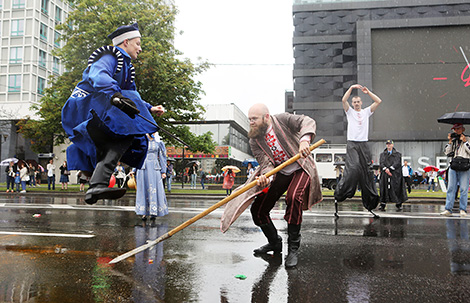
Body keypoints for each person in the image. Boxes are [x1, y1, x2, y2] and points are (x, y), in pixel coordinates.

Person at [61, 23, 164, 205]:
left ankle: (94, 184)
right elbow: (99, 76)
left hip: (101, 109)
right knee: (124, 135)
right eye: (138, 44)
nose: (140, 49)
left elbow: (131, 95)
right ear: (126, 42)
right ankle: (95, 181)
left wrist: (148, 108)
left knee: (122, 138)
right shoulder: (110, 56)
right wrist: (116, 95)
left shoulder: (126, 66)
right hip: (87, 109)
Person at [221, 103, 322, 268]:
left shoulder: (282, 120)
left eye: (254, 118)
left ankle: (293, 249)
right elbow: (266, 163)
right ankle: (275, 243)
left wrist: (304, 141)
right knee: (258, 210)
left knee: (293, 197)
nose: (251, 122)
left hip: (300, 166)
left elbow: (306, 121)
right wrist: (266, 178)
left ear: (266, 117)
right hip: (280, 173)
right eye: (249, 119)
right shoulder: (255, 139)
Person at [334, 84, 382, 216]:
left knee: (366, 173)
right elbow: (343, 100)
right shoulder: (349, 112)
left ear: (361, 103)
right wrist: (351, 88)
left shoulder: (366, 112)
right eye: (354, 102)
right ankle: (340, 193)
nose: (356, 104)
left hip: (364, 145)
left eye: (358, 102)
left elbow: (378, 101)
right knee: (354, 168)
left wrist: (368, 92)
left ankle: (370, 203)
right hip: (352, 144)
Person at [135, 132, 168, 220]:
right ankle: (143, 212)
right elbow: (137, 155)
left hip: (154, 168)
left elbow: (163, 157)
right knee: (143, 189)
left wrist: (163, 171)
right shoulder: (141, 140)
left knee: (154, 189)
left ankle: (154, 211)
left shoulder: (159, 142)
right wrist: (133, 169)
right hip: (143, 167)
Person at [441, 123, 470, 217]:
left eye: (458, 129)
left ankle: (463, 209)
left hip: (465, 166)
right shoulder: (453, 141)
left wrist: (465, 142)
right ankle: (448, 209)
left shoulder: (468, 139)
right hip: (453, 166)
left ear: (463, 129)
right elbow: (447, 152)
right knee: (451, 188)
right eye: (454, 129)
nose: (456, 131)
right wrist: (449, 142)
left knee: (464, 189)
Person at [378, 140, 408, 211]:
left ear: (392, 145)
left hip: (395, 174)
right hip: (385, 174)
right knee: (383, 188)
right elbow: (381, 163)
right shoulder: (382, 154)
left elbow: (397, 163)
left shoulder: (397, 154)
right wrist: (386, 169)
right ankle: (382, 203)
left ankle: (398, 203)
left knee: (396, 188)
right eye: (387, 144)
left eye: (390, 144)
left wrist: (391, 169)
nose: (388, 145)